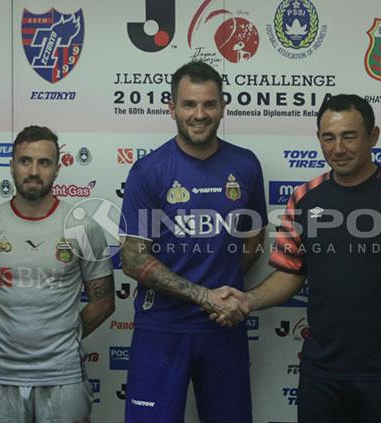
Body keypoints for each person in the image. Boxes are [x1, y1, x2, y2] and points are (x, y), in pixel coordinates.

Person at [217, 94, 381, 423]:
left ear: (373, 136)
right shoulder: (303, 198)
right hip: (322, 376)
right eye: (329, 137)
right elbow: (290, 273)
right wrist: (247, 300)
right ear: (319, 139)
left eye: (349, 136)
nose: (338, 148)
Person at [118, 61, 267, 423]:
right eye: (189, 104)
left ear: (222, 106)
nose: (199, 115)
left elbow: (253, 237)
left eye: (209, 104)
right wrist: (204, 296)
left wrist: (225, 292)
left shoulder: (245, 165)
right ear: (172, 107)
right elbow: (133, 260)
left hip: (223, 327)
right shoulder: (149, 171)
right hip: (162, 328)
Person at [0, 125, 115, 422]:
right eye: (25, 161)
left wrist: (64, 335)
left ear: (57, 169)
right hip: (0, 373)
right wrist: (7, 334)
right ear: (12, 166)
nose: (33, 171)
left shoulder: (81, 227)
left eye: (44, 162)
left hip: (64, 372)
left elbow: (104, 302)